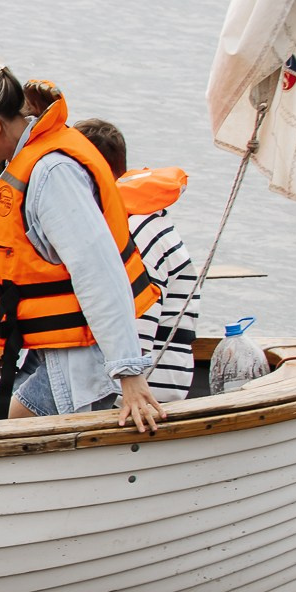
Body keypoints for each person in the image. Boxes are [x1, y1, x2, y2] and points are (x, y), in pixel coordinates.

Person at [0, 52, 163, 433]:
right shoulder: (18, 164)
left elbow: (99, 273)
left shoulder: (53, 174)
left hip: (82, 356)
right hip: (48, 349)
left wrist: (130, 375)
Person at [73, 117, 203, 407]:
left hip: (141, 395)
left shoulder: (136, 231)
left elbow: (139, 320)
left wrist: (124, 389)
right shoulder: (134, 220)